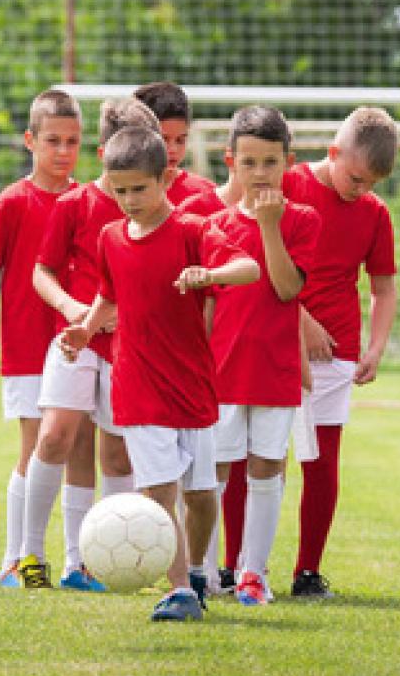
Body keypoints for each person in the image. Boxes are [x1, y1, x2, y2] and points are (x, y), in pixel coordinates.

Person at [60, 126, 259, 622]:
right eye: (119, 190)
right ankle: (179, 591)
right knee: (159, 492)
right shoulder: (109, 238)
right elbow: (109, 294)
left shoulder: (192, 231)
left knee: (201, 494)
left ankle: (192, 570)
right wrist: (86, 328)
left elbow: (249, 267)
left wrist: (208, 274)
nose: (128, 200)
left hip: (191, 384)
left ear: (166, 178)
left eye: (139, 189)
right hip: (137, 386)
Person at [18, 98, 160, 590]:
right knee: (55, 435)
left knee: (117, 456)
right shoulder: (73, 205)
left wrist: (123, 314)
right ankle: (29, 556)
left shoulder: (154, 211)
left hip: (126, 348)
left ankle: (90, 563)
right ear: (107, 153)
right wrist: (72, 309)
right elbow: (42, 270)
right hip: (74, 342)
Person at [275, 106, 400, 598]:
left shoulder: (374, 215)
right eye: (355, 178)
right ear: (332, 153)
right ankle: (237, 568)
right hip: (274, 339)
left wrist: (375, 347)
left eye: (371, 183)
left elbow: (383, 288)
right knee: (257, 457)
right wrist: (299, 321)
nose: (361, 190)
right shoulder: (289, 186)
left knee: (322, 462)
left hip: (336, 353)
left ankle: (307, 572)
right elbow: (265, 258)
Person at [205, 106, 320, 606]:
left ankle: (254, 573)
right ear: (230, 161)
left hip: (275, 371)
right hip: (222, 371)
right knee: (214, 473)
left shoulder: (304, 222)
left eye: (270, 162)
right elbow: (207, 307)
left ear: (288, 163)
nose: (258, 173)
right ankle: (203, 571)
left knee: (267, 466)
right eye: (248, 162)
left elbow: (287, 287)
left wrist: (271, 227)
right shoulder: (211, 227)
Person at [0, 89, 82, 587]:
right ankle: (14, 559)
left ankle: (78, 560)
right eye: (53, 141)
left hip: (76, 343)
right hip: (24, 344)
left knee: (75, 448)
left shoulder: (89, 200)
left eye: (73, 142)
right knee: (34, 446)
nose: (63, 151)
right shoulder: (11, 203)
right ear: (30, 141)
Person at [134, 81, 217, 206]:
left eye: (180, 140)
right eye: (163, 139)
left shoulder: (206, 194)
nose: (173, 149)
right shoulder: (121, 192)